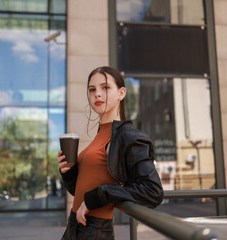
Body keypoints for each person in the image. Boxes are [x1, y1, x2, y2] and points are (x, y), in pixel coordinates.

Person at [58, 66, 163, 240]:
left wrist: (100, 195)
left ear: (121, 93)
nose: (97, 94)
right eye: (92, 89)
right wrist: (68, 173)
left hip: (94, 231)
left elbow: (153, 191)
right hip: (73, 226)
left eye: (105, 87)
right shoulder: (100, 135)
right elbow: (78, 191)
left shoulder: (129, 137)